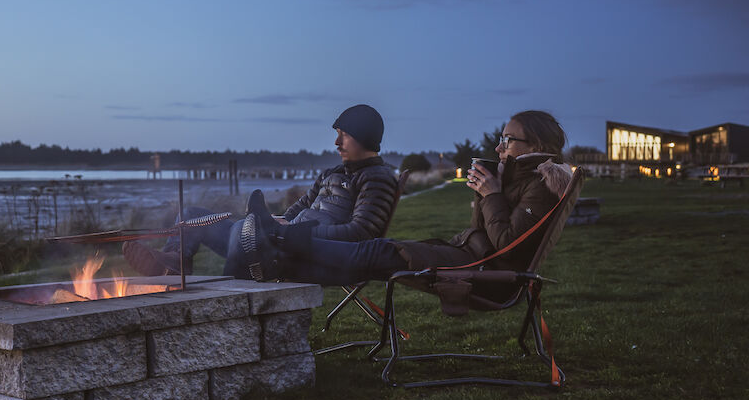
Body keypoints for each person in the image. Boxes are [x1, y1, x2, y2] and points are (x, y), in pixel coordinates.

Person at [227, 110, 574, 284]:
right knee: (381, 250)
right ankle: (274, 249)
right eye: (501, 137)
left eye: (509, 140)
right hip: (471, 255)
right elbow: (488, 231)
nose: (499, 146)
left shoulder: (542, 183)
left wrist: (492, 194)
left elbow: (508, 246)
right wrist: (489, 193)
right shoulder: (517, 178)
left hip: (485, 271)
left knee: (379, 250)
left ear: (538, 147)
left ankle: (276, 240)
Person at [122, 104, 399, 276]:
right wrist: (280, 222)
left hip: (301, 249)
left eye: (344, 135)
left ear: (364, 137)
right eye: (337, 133)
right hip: (279, 238)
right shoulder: (331, 173)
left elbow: (362, 235)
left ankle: (230, 299)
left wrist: (292, 233)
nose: (337, 142)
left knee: (247, 232)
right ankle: (175, 260)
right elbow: (298, 208)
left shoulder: (377, 178)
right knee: (193, 214)